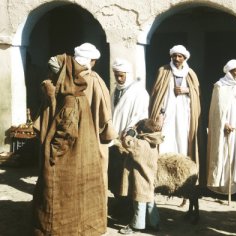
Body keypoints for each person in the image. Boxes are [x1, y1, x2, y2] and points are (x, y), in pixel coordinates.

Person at [32, 43, 117, 236]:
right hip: (87, 143)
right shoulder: (91, 82)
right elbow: (104, 117)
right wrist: (108, 136)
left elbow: (46, 119)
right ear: (92, 62)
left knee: (65, 191)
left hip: (64, 143)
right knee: (86, 188)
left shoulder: (58, 84)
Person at [206, 59, 236, 195]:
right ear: (229, 71)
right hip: (225, 126)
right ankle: (225, 186)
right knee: (225, 152)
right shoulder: (220, 86)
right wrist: (224, 123)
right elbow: (216, 110)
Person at [149, 45, 201, 164]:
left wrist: (187, 90)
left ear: (184, 58)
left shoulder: (190, 73)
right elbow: (157, 94)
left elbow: (197, 93)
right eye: (174, 56)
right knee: (165, 141)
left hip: (185, 115)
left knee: (183, 141)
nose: (176, 59)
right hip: (167, 114)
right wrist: (160, 115)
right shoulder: (163, 71)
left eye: (180, 56)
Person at [118, 119, 164, 234]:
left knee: (139, 202)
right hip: (149, 178)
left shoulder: (140, 144)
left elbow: (127, 142)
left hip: (140, 179)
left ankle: (137, 225)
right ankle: (154, 223)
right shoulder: (153, 144)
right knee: (150, 201)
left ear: (142, 131)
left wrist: (131, 132)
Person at [111, 58, 149, 137]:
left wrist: (131, 130)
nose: (118, 78)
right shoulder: (115, 90)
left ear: (127, 74)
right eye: (116, 76)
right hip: (115, 133)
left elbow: (140, 114)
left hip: (130, 134)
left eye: (121, 76)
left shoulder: (138, 91)